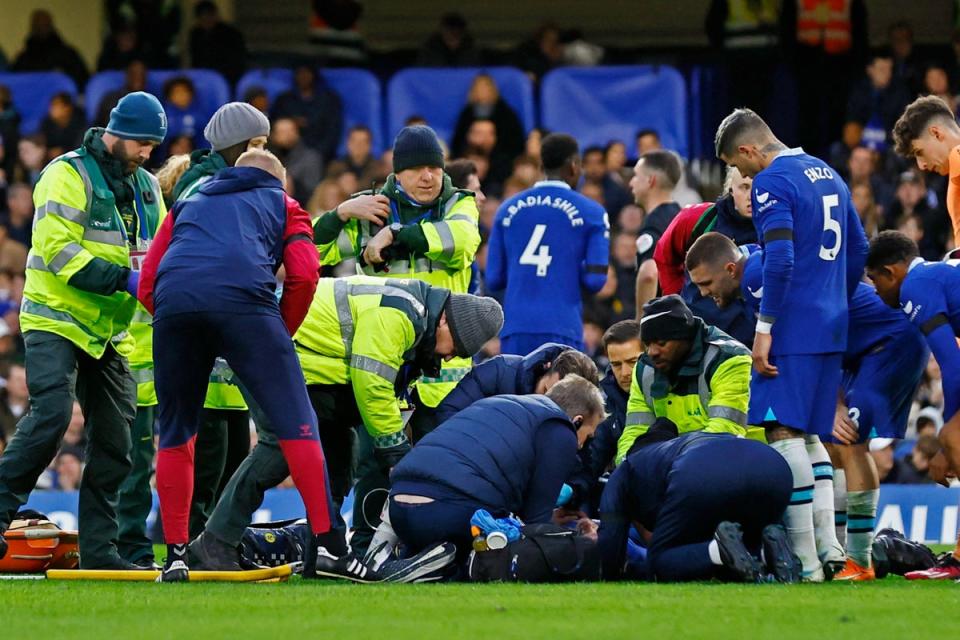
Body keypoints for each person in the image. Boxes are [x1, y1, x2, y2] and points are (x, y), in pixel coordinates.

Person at [137, 149, 363, 582]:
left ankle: (176, 556)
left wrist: (178, 317)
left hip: (174, 306)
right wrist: (279, 331)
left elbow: (149, 278)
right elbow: (303, 275)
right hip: (247, 307)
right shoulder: (283, 203)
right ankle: (332, 547)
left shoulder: (189, 199)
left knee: (177, 431)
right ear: (278, 180)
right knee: (299, 426)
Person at [190, 275, 503, 571]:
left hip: (298, 361)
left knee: (340, 452)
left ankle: (321, 552)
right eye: (455, 347)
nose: (449, 358)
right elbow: (371, 385)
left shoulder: (417, 320)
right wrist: (395, 452)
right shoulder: (399, 314)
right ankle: (215, 543)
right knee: (280, 447)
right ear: (445, 320)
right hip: (263, 345)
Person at [686, 231, 927, 581]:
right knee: (830, 442)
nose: (705, 293)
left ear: (729, 269)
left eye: (707, 283)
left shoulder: (755, 277)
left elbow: (809, 328)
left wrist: (831, 399)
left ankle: (850, 560)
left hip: (886, 343)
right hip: (863, 345)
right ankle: (834, 550)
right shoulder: (753, 264)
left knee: (844, 441)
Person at [0, 92, 167, 568]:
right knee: (52, 416)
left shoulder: (148, 186)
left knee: (117, 440)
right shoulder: (65, 174)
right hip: (55, 316)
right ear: (116, 133)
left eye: (153, 147)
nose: (146, 154)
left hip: (107, 330)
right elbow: (58, 252)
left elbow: (152, 253)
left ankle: (100, 551)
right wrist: (125, 279)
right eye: (142, 144)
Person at [715, 107, 869, 581]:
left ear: (748, 149)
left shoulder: (772, 182)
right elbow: (859, 249)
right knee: (809, 435)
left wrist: (764, 328)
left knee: (782, 430)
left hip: (793, 324)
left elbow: (779, 257)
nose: (743, 176)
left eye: (739, 167)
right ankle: (829, 548)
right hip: (831, 321)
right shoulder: (829, 173)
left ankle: (806, 561)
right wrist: (833, 302)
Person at [311, 126, 482, 546]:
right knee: (372, 464)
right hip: (383, 368)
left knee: (443, 465)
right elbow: (307, 252)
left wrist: (395, 236)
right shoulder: (373, 211)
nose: (429, 177)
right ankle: (365, 546)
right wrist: (340, 215)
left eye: (434, 168)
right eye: (417, 169)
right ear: (398, 173)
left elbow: (458, 242)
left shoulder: (459, 205)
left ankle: (439, 545)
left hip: (446, 376)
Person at [388, 375, 605, 557]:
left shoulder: (498, 404)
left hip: (398, 508)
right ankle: (445, 564)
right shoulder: (559, 428)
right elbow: (534, 524)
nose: (581, 445)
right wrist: (578, 539)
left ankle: (415, 559)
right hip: (450, 514)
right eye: (588, 435)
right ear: (577, 420)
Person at [865, 231, 960, 579]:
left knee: (952, 436)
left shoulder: (914, 287)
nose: (875, 291)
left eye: (875, 281)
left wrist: (946, 444)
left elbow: (952, 368)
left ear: (891, 272)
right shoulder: (933, 276)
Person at [598, 427, 796, 583]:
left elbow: (611, 540)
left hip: (701, 470)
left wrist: (613, 570)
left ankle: (718, 551)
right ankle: (765, 553)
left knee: (659, 561)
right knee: (741, 547)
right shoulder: (676, 449)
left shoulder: (627, 468)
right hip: (772, 464)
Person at [486, 133, 609, 355]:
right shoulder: (592, 212)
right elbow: (595, 281)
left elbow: (494, 278)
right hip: (563, 324)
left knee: (516, 390)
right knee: (562, 390)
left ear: (541, 165)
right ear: (573, 166)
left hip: (516, 326)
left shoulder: (506, 209)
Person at [615, 295, 751, 464]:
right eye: (647, 344)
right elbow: (634, 432)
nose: (652, 352)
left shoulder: (729, 359)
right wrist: (628, 464)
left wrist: (670, 464)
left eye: (661, 342)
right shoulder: (644, 370)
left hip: (736, 464)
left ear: (684, 337)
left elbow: (724, 433)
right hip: (676, 465)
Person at [653, 166, 756, 346]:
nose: (751, 196)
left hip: (750, 341)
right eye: (744, 187)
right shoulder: (697, 217)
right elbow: (664, 255)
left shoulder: (779, 228)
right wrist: (675, 302)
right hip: (699, 337)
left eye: (757, 188)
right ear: (730, 188)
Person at [434, 344, 599, 427]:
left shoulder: (583, 414)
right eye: (545, 391)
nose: (546, 402)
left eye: (558, 404)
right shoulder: (499, 371)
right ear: (546, 368)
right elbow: (448, 413)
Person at [891, 94, 960, 251]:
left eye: (919, 152)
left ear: (936, 133)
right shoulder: (954, 174)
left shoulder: (957, 155)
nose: (921, 165)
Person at [630, 150, 683, 317]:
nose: (631, 183)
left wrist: (641, 322)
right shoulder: (679, 216)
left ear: (650, 181)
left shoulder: (654, 223)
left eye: (636, 176)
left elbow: (649, 274)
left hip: (665, 319)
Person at [270, 64, 343, 163]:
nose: (303, 76)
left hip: (319, 154)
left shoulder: (329, 100)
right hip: (284, 154)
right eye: (300, 73)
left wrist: (319, 154)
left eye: (307, 73)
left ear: (314, 75)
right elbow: (273, 126)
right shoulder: (284, 100)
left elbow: (333, 131)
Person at [451, 74, 525, 163]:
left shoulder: (506, 114)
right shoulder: (466, 114)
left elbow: (515, 143)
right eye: (478, 87)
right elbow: (457, 143)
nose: (482, 91)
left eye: (486, 87)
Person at [10, 9, 88, 89]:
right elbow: (14, 84)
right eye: (38, 26)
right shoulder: (23, 59)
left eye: (45, 25)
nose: (42, 29)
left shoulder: (69, 56)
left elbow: (82, 81)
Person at [188, 0, 247, 85]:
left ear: (215, 15)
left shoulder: (231, 33)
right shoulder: (196, 34)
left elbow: (237, 60)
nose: (207, 20)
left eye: (209, 16)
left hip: (228, 77)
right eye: (203, 17)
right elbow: (195, 59)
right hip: (202, 77)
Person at [269, 118, 323, 207]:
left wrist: (294, 186)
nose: (288, 135)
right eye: (282, 132)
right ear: (273, 136)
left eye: (291, 130)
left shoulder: (310, 158)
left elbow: (314, 192)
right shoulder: (266, 158)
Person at [417, 12, 482, 67]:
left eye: (456, 35)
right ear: (442, 33)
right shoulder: (429, 51)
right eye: (449, 34)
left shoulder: (471, 52)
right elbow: (419, 74)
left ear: (462, 35)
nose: (452, 38)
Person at [40, 93, 86, 161]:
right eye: (52, 106)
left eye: (56, 105)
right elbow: (43, 146)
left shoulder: (81, 124)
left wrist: (63, 152)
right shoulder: (47, 124)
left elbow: (80, 149)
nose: (52, 109)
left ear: (67, 108)